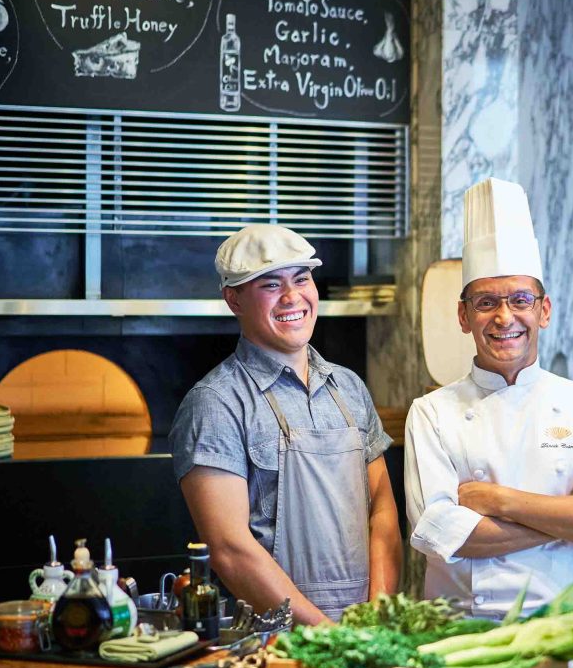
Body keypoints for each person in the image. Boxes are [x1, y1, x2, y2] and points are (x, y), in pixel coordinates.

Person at [405, 178, 573, 619]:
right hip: (461, 636)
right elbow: (440, 531)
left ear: (544, 310)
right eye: (485, 303)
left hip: (567, 633)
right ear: (463, 316)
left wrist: (499, 501)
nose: (504, 318)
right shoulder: (431, 413)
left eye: (520, 300)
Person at [169, 224, 401, 625]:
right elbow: (230, 548)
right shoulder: (216, 402)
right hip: (274, 637)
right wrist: (327, 633)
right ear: (233, 300)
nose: (293, 297)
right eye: (271, 285)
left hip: (365, 629)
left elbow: (382, 508)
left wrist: (378, 617)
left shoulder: (348, 387)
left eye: (302, 279)